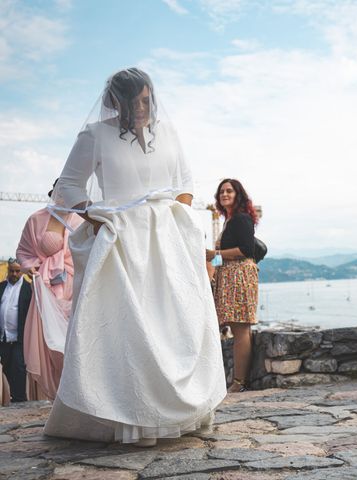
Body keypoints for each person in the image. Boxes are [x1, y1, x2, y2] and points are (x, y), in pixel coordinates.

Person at [43, 67, 226, 446]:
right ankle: (130, 417)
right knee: (130, 327)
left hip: (167, 241)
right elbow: (67, 186)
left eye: (145, 100)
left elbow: (185, 182)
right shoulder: (94, 135)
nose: (141, 108)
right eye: (132, 102)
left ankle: (181, 411)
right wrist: (96, 216)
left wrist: (176, 217)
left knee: (175, 323)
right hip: (122, 240)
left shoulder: (168, 132)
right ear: (115, 102)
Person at [16, 180, 83, 401]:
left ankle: (75, 394)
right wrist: (30, 266)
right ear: (53, 193)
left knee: (75, 341)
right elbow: (23, 251)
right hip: (46, 289)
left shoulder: (81, 219)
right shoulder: (36, 219)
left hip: (77, 287)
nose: (64, 195)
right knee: (50, 344)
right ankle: (57, 395)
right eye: (60, 191)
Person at [207, 179, 259, 393]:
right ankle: (235, 381)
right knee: (234, 326)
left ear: (238, 194)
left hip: (240, 276)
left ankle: (239, 382)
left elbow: (246, 250)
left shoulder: (241, 219)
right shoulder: (229, 220)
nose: (224, 194)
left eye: (229, 191)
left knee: (240, 327)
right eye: (221, 192)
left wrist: (213, 254)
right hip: (229, 276)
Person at [0, 258, 32, 402]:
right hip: (4, 337)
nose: (14, 274)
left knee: (19, 368)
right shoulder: (2, 287)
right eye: (11, 270)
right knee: (6, 368)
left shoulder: (28, 289)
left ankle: (20, 400)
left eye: (17, 271)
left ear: (22, 271)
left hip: (20, 338)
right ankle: (13, 396)